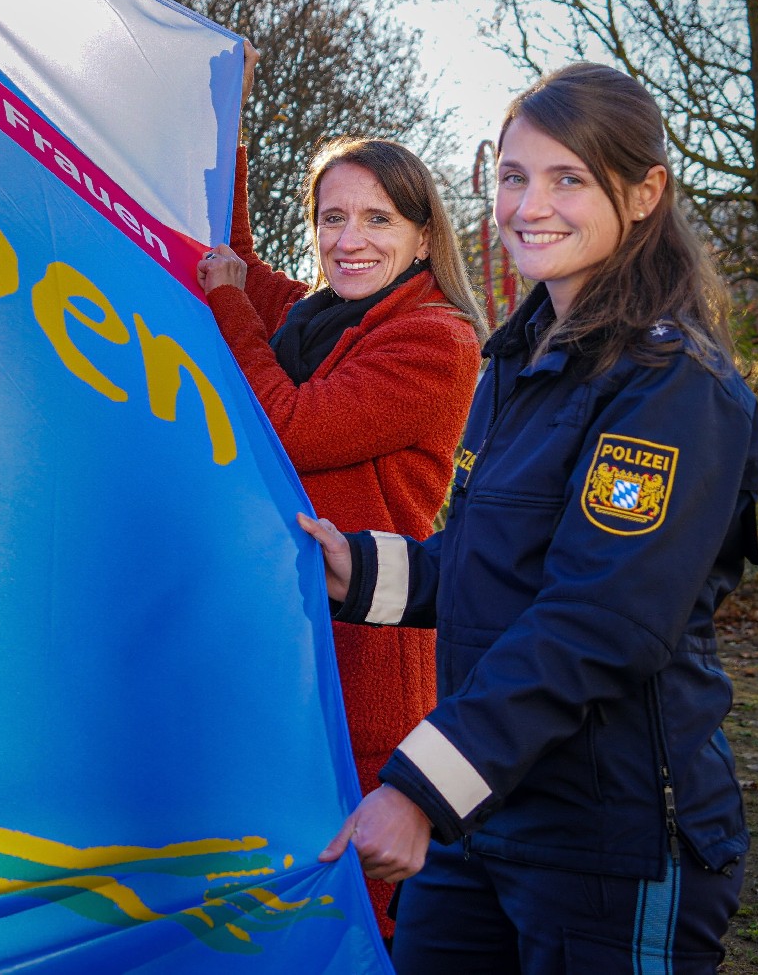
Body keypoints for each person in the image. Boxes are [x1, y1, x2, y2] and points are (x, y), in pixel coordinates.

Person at [305, 63, 758, 973]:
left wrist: (420, 790)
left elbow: (598, 622)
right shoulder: (516, 362)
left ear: (643, 193)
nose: (529, 205)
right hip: (488, 817)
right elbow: (485, 565)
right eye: (514, 176)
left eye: (568, 178)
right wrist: (352, 568)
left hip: (609, 841)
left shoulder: (673, 385)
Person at [197, 110, 485, 937]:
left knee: (357, 902)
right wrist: (230, 118)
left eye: (377, 218)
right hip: (283, 629)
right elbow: (239, 262)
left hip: (363, 651)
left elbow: (285, 420)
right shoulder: (321, 316)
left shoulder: (436, 340)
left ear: (425, 237)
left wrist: (226, 298)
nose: (348, 238)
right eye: (332, 217)